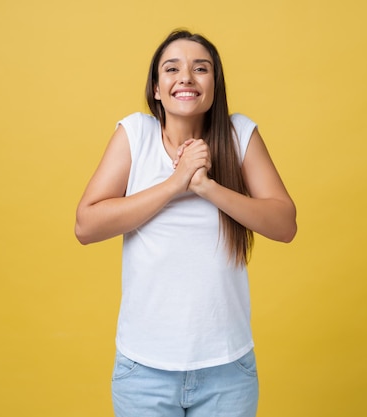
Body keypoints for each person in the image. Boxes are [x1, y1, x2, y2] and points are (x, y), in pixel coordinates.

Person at [75, 29, 297, 417]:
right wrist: (175, 184)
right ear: (157, 88)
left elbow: (284, 224)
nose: (186, 78)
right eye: (172, 68)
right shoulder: (136, 135)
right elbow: (86, 226)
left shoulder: (238, 134)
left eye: (201, 68)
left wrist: (207, 188)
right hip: (143, 370)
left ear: (215, 84)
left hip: (227, 370)